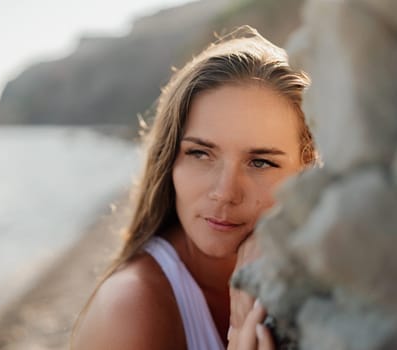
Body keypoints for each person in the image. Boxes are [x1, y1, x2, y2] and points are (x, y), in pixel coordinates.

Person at [71, 25, 316, 350]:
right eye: (200, 153)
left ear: (308, 172)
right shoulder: (130, 309)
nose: (225, 192)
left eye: (260, 162)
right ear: (170, 158)